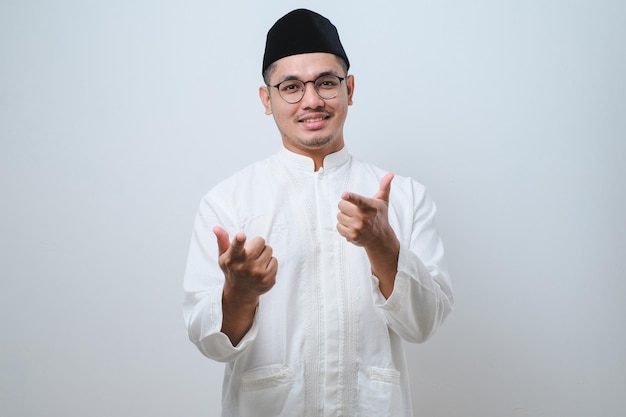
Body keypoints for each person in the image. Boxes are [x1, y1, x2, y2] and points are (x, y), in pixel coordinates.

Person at [183, 8, 454, 417]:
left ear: (350, 89)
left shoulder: (405, 197)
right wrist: (238, 293)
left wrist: (384, 246)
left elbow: (424, 324)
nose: (312, 100)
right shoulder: (228, 202)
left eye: (326, 83)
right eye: (291, 86)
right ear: (266, 99)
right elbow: (212, 345)